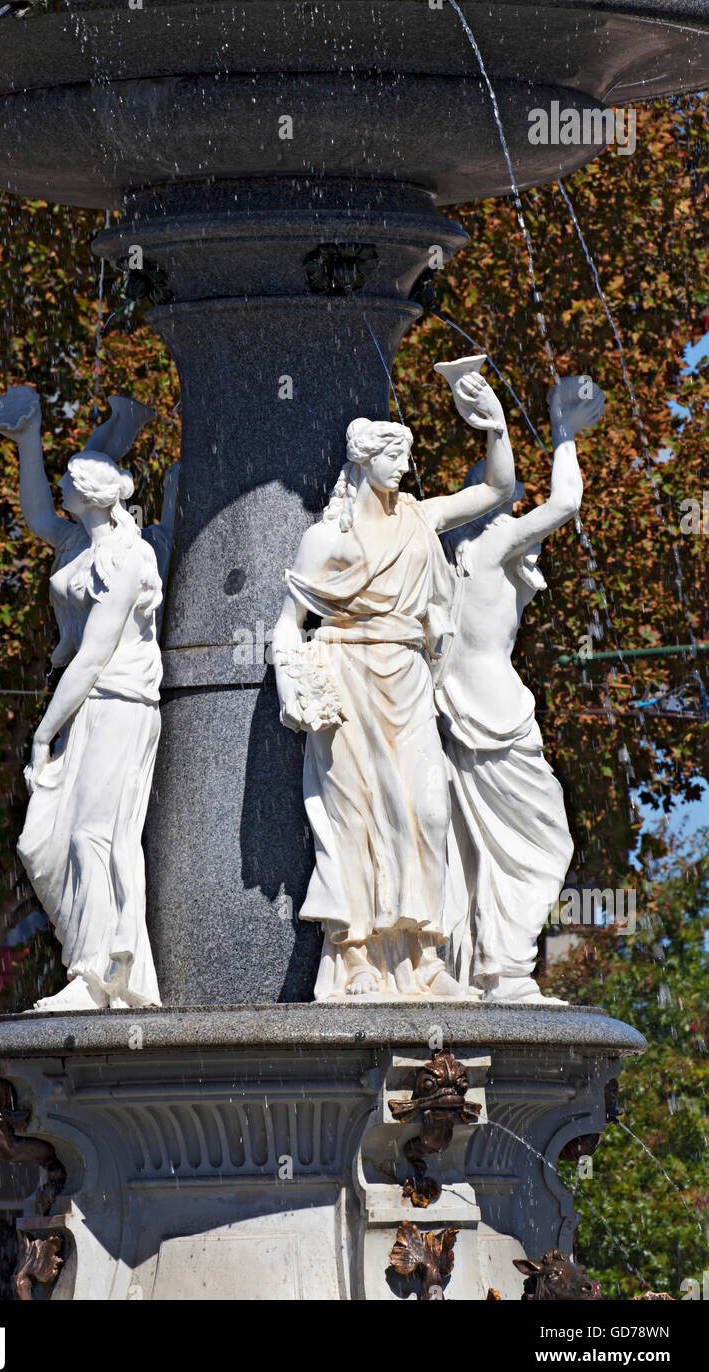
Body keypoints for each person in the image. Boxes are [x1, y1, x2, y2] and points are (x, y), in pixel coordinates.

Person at [273, 371, 514, 999]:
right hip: (346, 676)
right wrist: (295, 687)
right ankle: (354, 954)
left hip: (406, 677)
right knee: (353, 816)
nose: (406, 469)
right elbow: (285, 627)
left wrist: (494, 423)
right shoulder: (327, 539)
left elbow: (499, 486)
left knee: (426, 813)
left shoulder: (419, 518)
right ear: (365, 461)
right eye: (396, 458)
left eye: (408, 458)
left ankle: (422, 957)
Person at [0, 386, 171, 1010]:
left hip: (116, 702)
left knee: (97, 834)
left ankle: (103, 977)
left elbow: (93, 654)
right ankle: (89, 963)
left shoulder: (129, 557)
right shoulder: (79, 545)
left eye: (68, 482)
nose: (59, 493)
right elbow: (37, 515)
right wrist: (27, 441)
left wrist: (40, 733)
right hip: (82, 705)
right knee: (43, 842)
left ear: (88, 496)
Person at [435, 374, 605, 1002]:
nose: (520, 514)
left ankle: (486, 965)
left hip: (450, 710)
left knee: (468, 847)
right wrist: (562, 432)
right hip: (497, 711)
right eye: (513, 506)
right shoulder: (491, 544)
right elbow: (565, 505)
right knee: (543, 841)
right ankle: (504, 967)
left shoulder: (439, 556)